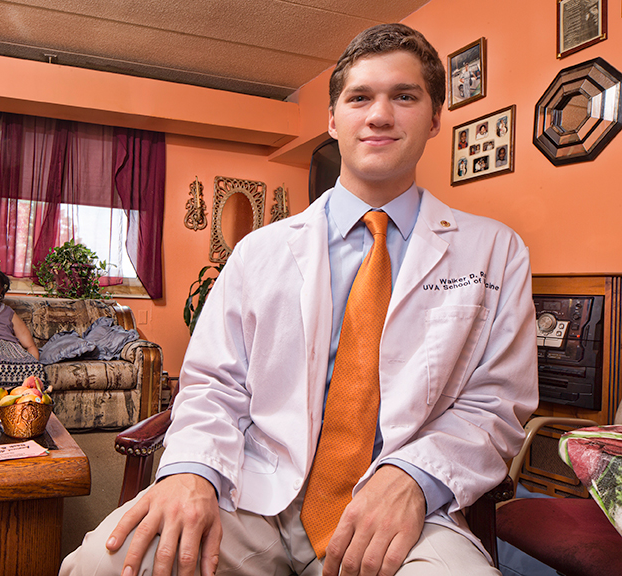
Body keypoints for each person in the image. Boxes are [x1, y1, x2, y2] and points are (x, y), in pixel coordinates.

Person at [61, 23, 538, 576]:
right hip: (252, 491)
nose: (379, 115)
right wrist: (191, 471)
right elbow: (215, 383)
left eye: (404, 96)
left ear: (434, 118)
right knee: (102, 565)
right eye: (360, 97)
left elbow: (496, 404)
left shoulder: (494, 250)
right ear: (333, 119)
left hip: (406, 508)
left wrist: (413, 477)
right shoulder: (258, 252)